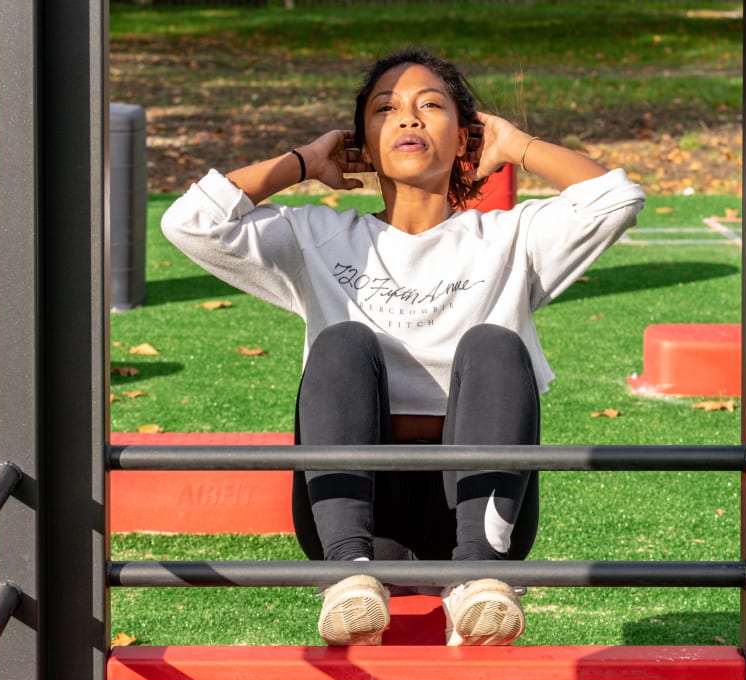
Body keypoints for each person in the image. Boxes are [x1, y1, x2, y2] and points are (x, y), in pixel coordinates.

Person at [161, 47, 645, 647]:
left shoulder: (512, 236)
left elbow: (617, 198)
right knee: (341, 344)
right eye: (386, 109)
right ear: (361, 141)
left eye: (430, 106)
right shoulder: (317, 235)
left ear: (466, 138)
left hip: (479, 508)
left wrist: (513, 144)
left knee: (495, 344)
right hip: (356, 514)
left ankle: (479, 578)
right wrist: (302, 161)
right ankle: (347, 576)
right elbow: (190, 223)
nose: (408, 119)